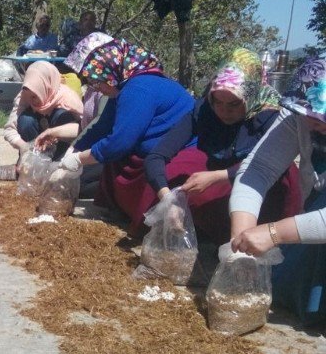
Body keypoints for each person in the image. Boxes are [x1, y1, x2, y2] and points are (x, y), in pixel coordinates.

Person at [142, 48, 301, 244]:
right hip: (217, 179)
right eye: (217, 101)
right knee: (175, 174)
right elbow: (156, 156)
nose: (223, 111)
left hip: (262, 189)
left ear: (250, 95)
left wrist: (219, 176)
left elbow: (265, 169)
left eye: (233, 104)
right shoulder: (204, 110)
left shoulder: (272, 115)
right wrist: (168, 200)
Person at [57, 36, 194, 234]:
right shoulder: (121, 88)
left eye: (98, 82)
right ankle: (122, 208)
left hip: (170, 155)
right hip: (145, 151)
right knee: (112, 163)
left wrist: (78, 160)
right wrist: (72, 150)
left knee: (114, 157)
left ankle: (142, 218)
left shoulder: (138, 89)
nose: (98, 89)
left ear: (111, 72)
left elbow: (119, 142)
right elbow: (101, 128)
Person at [230, 57, 326, 326]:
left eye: (319, 120)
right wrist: (242, 235)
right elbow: (259, 168)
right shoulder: (301, 112)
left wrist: (274, 233)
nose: (310, 124)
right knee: (285, 288)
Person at [3, 60, 83, 162]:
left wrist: (56, 133)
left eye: (35, 96)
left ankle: (59, 160)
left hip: (60, 143)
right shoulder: (24, 95)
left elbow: (82, 128)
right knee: (26, 119)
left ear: (46, 87)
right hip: (33, 147)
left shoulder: (68, 98)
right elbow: (9, 129)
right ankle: (32, 161)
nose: (32, 100)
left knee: (62, 115)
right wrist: (24, 147)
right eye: (29, 96)